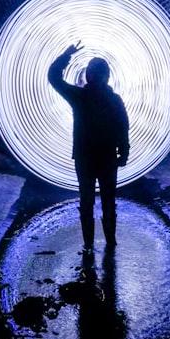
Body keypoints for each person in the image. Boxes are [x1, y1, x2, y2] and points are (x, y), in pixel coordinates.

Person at [48, 42, 130, 249]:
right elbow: (123, 127)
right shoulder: (114, 99)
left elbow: (53, 78)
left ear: (88, 76)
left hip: (84, 157)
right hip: (107, 156)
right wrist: (123, 153)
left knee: (86, 201)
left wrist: (66, 55)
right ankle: (110, 241)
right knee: (108, 200)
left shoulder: (80, 97)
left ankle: (88, 245)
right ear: (108, 76)